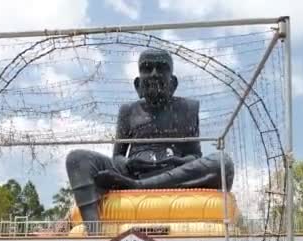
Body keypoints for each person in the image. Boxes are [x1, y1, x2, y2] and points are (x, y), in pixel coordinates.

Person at [65, 49, 234, 228]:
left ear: (173, 82)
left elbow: (194, 156)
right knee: (77, 159)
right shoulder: (128, 111)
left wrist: (177, 161)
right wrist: (127, 164)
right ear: (137, 84)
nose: (154, 74)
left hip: (174, 173)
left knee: (223, 162)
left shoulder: (188, 108)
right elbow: (118, 157)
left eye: (161, 68)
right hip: (133, 171)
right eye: (147, 68)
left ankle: (137, 186)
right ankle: (95, 235)